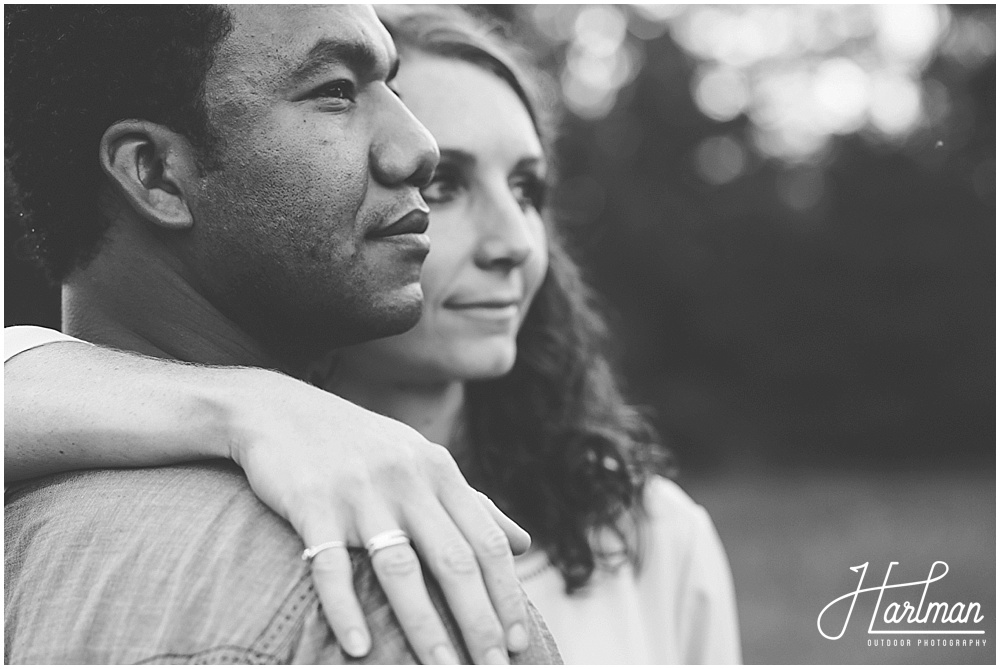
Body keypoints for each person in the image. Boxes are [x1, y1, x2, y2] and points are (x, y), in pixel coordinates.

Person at [7, 4, 741, 663]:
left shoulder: (649, 533)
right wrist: (253, 408)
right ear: (157, 174)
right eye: (335, 92)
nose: (514, 240)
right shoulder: (379, 577)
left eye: (530, 191)